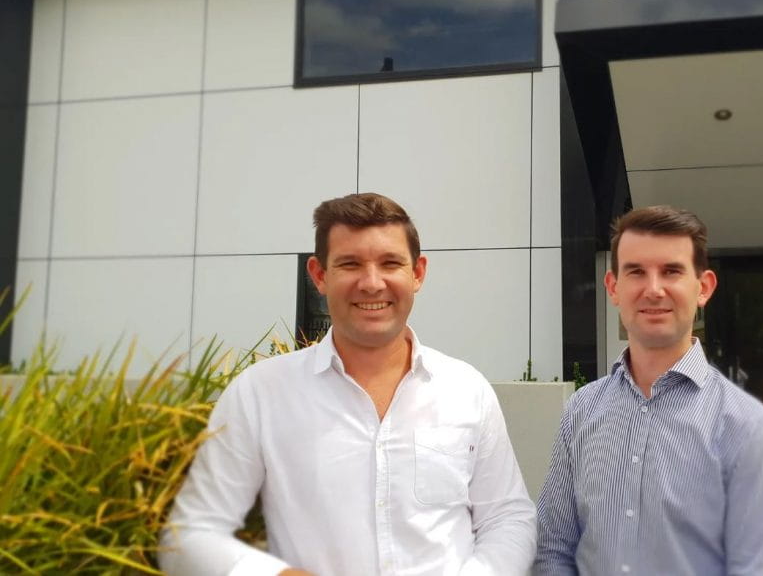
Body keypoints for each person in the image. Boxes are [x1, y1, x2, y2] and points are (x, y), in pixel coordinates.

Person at [160, 193, 536, 576]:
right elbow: (189, 536)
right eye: (350, 264)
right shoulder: (259, 394)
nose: (372, 284)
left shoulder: (467, 390)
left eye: (390, 263)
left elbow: (508, 518)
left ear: (417, 272)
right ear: (319, 275)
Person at [533, 206, 763, 575]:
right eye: (636, 272)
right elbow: (553, 548)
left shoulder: (747, 428)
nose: (653, 289)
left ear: (703, 287)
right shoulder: (582, 410)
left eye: (671, 271)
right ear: (613, 288)